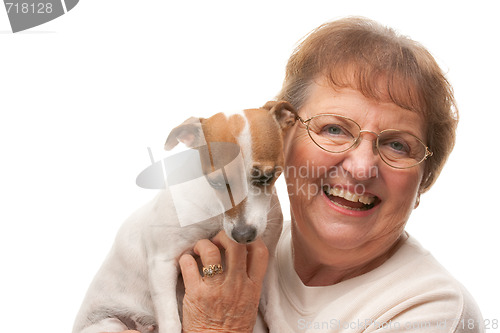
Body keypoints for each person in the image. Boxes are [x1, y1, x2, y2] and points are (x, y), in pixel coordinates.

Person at [115, 17, 484, 333]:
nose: (361, 167)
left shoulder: (433, 310)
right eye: (335, 129)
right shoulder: (239, 238)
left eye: (397, 145)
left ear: (425, 179)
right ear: (284, 141)